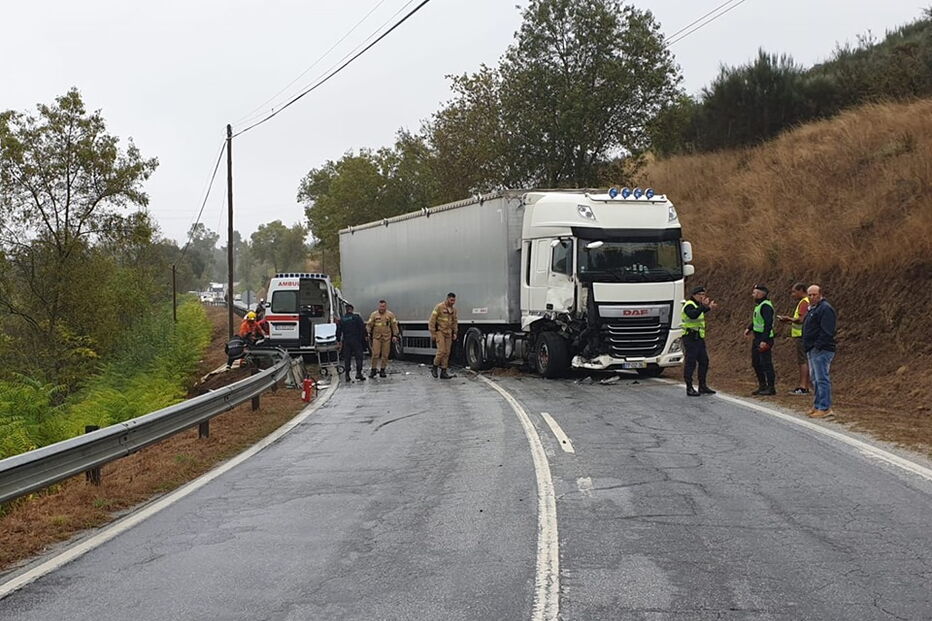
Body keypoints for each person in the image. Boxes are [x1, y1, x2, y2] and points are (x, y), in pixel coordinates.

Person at [803, 284, 836, 418]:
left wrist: (818, 345)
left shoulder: (825, 309)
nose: (812, 297)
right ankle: (817, 405)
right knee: (815, 379)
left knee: (822, 378)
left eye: (814, 294)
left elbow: (827, 331)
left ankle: (825, 407)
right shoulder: (813, 309)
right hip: (812, 349)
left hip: (821, 349)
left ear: (820, 294)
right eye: (809, 295)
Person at [681, 286, 718, 397]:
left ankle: (702, 386)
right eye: (700, 295)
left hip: (699, 338)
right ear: (694, 295)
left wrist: (709, 307)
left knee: (704, 361)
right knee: (690, 363)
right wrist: (703, 306)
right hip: (690, 337)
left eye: (703, 295)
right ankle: (689, 387)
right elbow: (693, 315)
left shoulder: (697, 306)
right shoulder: (689, 305)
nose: (702, 297)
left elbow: (699, 312)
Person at [778, 282, 811, 395]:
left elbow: (801, 320)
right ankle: (805, 385)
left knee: (802, 361)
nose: (792, 294)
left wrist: (788, 319)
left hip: (801, 335)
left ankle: (803, 386)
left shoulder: (804, 302)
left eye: (794, 291)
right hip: (805, 334)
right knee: (806, 360)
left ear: (801, 290)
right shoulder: (808, 301)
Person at [744, 284, 776, 395]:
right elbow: (757, 320)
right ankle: (762, 385)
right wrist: (749, 328)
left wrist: (764, 340)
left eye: (754, 293)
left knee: (766, 363)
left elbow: (768, 324)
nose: (752, 295)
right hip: (757, 338)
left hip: (764, 338)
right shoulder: (759, 305)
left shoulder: (766, 306)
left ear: (760, 294)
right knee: (756, 362)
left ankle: (771, 388)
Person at [428, 292, 458, 379]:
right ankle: (434, 367)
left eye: (454, 300)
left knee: (447, 352)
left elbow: (455, 322)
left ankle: (444, 372)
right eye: (451, 300)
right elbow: (432, 320)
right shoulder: (439, 307)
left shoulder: (454, 310)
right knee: (441, 351)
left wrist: (455, 332)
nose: (453, 302)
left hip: (448, 332)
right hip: (440, 332)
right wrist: (433, 333)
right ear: (447, 299)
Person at [367, 299, 399, 378]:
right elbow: (369, 324)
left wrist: (395, 335)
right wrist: (367, 332)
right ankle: (373, 369)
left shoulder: (390, 315)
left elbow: (394, 325)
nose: (382, 308)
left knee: (385, 355)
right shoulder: (374, 315)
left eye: (383, 306)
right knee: (375, 354)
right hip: (376, 337)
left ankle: (382, 370)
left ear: (386, 306)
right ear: (379, 306)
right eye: (381, 306)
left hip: (386, 337)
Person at [336, 304, 367, 382]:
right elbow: (362, 328)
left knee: (347, 358)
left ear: (346, 310)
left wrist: (338, 340)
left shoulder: (342, 319)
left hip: (347, 341)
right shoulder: (356, 317)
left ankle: (347, 375)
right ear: (352, 309)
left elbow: (339, 331)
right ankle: (358, 373)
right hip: (356, 340)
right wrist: (365, 337)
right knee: (359, 357)